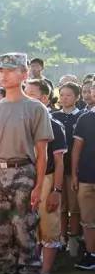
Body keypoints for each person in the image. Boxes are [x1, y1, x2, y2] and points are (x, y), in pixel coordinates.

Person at [0, 53, 54, 274]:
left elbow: (42, 153)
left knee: (24, 229)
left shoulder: (35, 108)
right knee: (1, 229)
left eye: (10, 70)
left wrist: (38, 185)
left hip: (23, 172)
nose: (3, 74)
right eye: (1, 70)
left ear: (24, 74)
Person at [25, 79, 67, 274]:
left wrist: (56, 191)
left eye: (31, 94)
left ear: (44, 98)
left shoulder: (54, 126)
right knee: (26, 225)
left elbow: (59, 162)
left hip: (47, 179)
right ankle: (29, 268)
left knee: (48, 225)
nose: (25, 97)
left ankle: (45, 273)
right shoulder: (21, 122)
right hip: (23, 178)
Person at [52, 82, 85, 250]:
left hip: (74, 169)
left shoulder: (82, 116)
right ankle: (61, 237)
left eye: (69, 95)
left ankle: (74, 238)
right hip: (57, 167)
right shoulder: (53, 116)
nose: (64, 98)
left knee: (74, 206)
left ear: (77, 97)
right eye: (62, 94)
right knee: (61, 205)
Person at [71, 85, 95, 271]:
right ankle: (90, 253)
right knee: (87, 219)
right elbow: (76, 150)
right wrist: (74, 174)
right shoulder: (85, 118)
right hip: (87, 177)